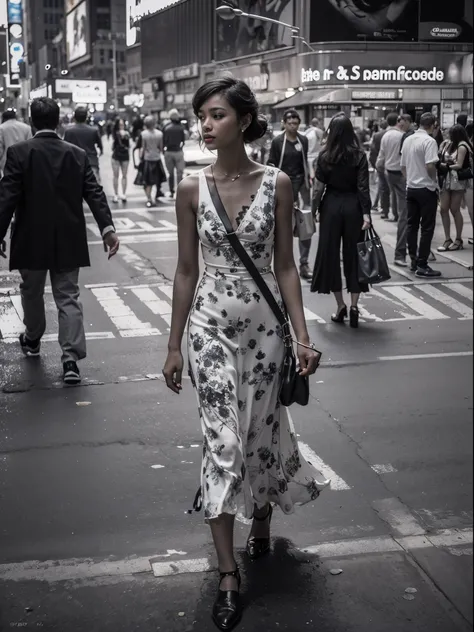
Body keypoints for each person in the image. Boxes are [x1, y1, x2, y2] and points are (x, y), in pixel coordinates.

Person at [162, 76, 328, 631]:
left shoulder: (277, 183)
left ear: (243, 119)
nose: (206, 125)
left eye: (215, 115)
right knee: (224, 441)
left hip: (265, 333)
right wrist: (173, 345)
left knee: (259, 432)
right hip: (209, 327)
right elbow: (186, 270)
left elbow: (286, 266)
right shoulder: (190, 188)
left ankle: (261, 516)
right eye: (201, 116)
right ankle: (229, 574)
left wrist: (302, 336)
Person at [0, 97, 120, 384]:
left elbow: (7, 197)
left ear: (31, 121)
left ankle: (32, 338)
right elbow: (94, 192)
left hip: (30, 236)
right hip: (68, 236)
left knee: (31, 292)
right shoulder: (76, 154)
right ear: (58, 122)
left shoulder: (18, 153)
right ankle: (70, 359)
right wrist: (107, 228)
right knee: (68, 296)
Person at [310, 114, 372, 328]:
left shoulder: (325, 155)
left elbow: (318, 188)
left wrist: (313, 210)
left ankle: (340, 306)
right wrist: (366, 213)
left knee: (330, 255)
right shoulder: (359, 155)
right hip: (354, 206)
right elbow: (363, 186)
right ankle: (355, 306)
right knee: (354, 255)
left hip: (332, 207)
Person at [268, 109, 312, 280]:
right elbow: (271, 163)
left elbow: (305, 162)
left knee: (305, 226)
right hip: (284, 186)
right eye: (290, 123)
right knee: (284, 227)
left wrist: (308, 182)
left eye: (296, 123)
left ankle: (304, 263)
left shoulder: (304, 140)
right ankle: (284, 264)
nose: (293, 126)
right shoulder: (278, 142)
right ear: (284, 124)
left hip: (302, 186)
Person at [400, 112, 442, 278]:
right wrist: (434, 182)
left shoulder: (408, 139)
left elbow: (402, 166)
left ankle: (413, 260)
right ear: (432, 125)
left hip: (411, 188)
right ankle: (423, 264)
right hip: (426, 188)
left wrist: (410, 179)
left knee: (412, 226)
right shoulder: (429, 141)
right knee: (427, 227)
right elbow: (430, 165)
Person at [377, 113, 412, 266]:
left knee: (398, 206)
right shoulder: (403, 137)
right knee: (405, 215)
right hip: (401, 174)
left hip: (388, 173)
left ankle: (410, 250)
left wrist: (382, 170)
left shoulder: (386, 136)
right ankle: (400, 254)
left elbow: (380, 158)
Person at [437, 124, 473, 252]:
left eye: (449, 133)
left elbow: (459, 165)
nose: (446, 135)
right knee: (443, 209)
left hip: (457, 181)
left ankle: (458, 239)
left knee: (454, 209)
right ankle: (448, 239)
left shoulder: (462, 146)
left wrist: (444, 166)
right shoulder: (448, 144)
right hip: (447, 179)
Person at [64, 106, 103, 183]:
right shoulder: (94, 131)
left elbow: (65, 149)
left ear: (74, 117)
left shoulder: (69, 132)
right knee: (94, 189)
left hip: (74, 164)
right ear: (86, 117)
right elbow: (100, 148)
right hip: (91, 162)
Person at [136, 115, 165, 208]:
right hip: (156, 158)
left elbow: (143, 148)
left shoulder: (143, 134)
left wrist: (140, 158)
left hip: (147, 159)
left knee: (147, 181)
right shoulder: (160, 134)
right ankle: (153, 196)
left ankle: (149, 198)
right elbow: (161, 148)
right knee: (156, 179)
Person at [0, 108, 32, 176]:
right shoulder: (27, 128)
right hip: (24, 163)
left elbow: (0, 149)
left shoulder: (1, 128)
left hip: (6, 164)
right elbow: (30, 145)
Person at [162, 109, 186, 198]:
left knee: (170, 173)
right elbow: (183, 141)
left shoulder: (166, 127)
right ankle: (180, 191)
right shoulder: (181, 127)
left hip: (168, 152)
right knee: (180, 173)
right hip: (178, 151)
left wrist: (164, 151)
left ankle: (171, 191)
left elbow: (163, 141)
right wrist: (180, 148)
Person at [369, 120, 389, 216]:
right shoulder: (394, 134)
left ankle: (381, 206)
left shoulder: (376, 135)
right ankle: (379, 204)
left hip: (380, 163)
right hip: (391, 164)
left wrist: (374, 164)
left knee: (382, 185)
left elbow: (373, 151)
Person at [111, 118, 131, 203]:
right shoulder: (115, 133)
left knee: (124, 175)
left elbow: (128, 145)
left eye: (122, 124)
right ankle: (116, 194)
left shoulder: (127, 133)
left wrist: (126, 136)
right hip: (116, 155)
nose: (121, 126)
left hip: (125, 155)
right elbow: (113, 145)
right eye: (120, 125)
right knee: (116, 175)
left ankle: (123, 193)